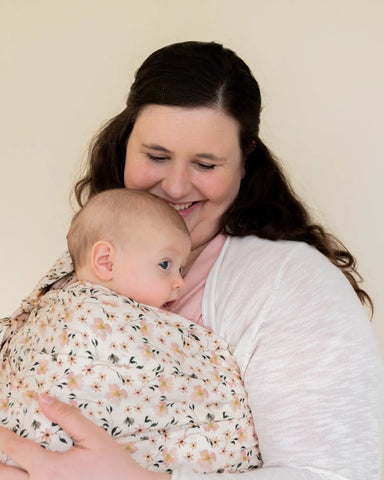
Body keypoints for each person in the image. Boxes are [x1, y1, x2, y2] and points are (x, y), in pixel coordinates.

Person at [0, 40, 382, 480]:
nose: (176, 187)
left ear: (244, 162)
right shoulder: (89, 268)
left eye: (205, 164)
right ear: (126, 145)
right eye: (156, 156)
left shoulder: (289, 284)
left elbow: (339, 473)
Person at [0, 188, 261, 473]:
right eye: (165, 265)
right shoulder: (69, 312)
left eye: (181, 270)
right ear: (106, 261)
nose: (179, 283)